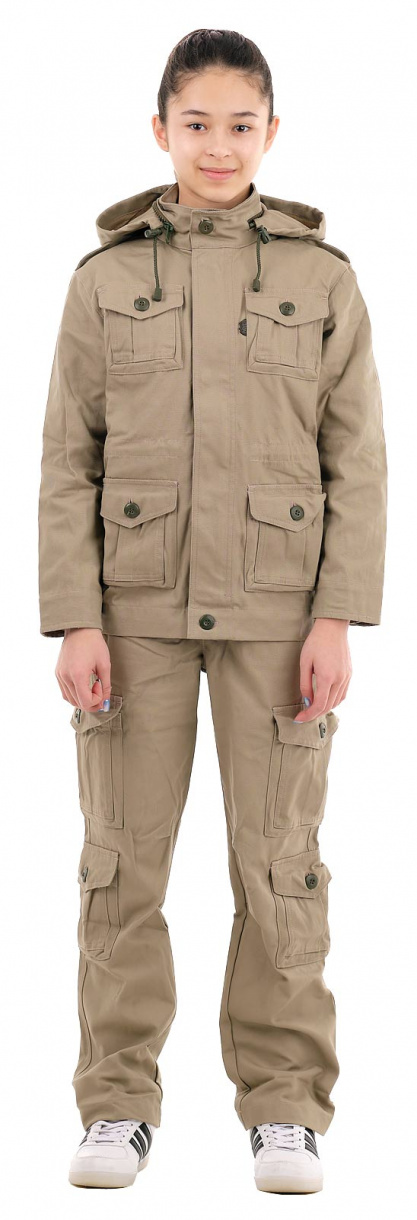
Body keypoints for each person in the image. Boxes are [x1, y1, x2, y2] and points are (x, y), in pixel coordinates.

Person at [37, 27, 387, 1194]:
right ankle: (116, 1101)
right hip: (132, 611)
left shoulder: (323, 280)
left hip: (280, 615)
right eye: (198, 123)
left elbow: (358, 460)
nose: (220, 145)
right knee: (120, 864)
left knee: (281, 861)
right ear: (161, 130)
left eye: (242, 124)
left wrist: (337, 614)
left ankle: (285, 1107)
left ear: (273, 132)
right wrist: (75, 615)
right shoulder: (102, 281)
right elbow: (66, 462)